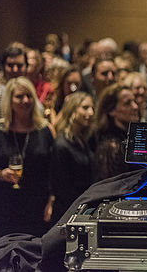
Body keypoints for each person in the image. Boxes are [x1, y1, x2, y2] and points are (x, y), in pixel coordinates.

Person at [0, 77, 54, 238]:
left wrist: (51, 201)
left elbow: (53, 171)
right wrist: (0, 174)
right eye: (19, 96)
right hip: (4, 203)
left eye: (29, 96)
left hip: (36, 203)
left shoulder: (45, 130)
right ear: (9, 100)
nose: (25, 101)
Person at [51, 92, 94, 224]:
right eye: (85, 107)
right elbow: (61, 187)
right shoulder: (61, 144)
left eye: (92, 108)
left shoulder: (82, 139)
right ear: (72, 110)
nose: (91, 112)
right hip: (68, 212)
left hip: (82, 206)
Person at [93, 84, 140, 181]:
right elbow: (112, 188)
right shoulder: (111, 146)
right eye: (127, 103)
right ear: (112, 111)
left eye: (134, 101)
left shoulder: (130, 137)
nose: (135, 107)